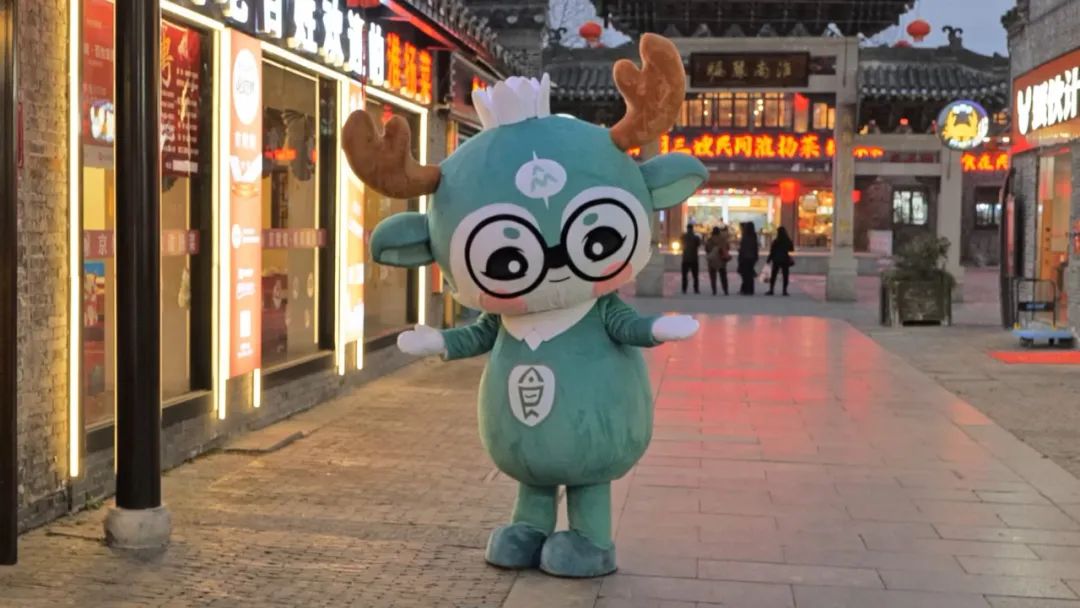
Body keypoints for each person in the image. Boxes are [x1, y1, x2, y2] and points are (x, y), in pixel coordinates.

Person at [766, 226, 795, 296]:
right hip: (785, 259)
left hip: (776, 259)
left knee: (774, 275)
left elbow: (772, 251)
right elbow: (791, 250)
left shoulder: (776, 241)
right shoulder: (788, 240)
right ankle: (784, 290)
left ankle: (771, 290)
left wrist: (769, 259)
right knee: (785, 275)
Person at [704, 225, 731, 295]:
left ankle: (714, 290)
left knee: (713, 276)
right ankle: (725, 290)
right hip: (721, 259)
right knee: (723, 276)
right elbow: (728, 247)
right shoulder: (723, 239)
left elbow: (706, 249)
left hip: (712, 261)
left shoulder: (710, 240)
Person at [736, 222, 759, 295]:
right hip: (752, 257)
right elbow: (755, 247)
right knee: (750, 273)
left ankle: (746, 289)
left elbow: (743, 248)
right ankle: (750, 289)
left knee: (745, 274)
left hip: (745, 257)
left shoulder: (745, 236)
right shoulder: (754, 236)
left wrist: (740, 256)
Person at [679, 223, 702, 294]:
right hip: (694, 258)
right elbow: (699, 244)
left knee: (684, 276)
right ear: (692, 229)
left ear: (687, 228)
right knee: (695, 276)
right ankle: (696, 289)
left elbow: (681, 243)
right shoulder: (696, 237)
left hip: (685, 258)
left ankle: (684, 289)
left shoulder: (683, 236)